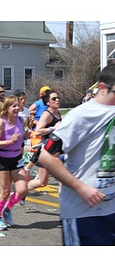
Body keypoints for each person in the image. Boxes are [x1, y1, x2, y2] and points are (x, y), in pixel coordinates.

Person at [38, 63, 115, 246]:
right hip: (83, 214)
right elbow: (46, 157)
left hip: (110, 209)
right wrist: (81, 187)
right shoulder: (81, 116)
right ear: (102, 88)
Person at [0, 95, 29, 230]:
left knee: (23, 189)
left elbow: (19, 135)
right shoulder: (2, 122)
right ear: (7, 108)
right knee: (5, 191)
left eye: (18, 105)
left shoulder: (20, 120)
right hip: (1, 159)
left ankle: (7, 208)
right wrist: (8, 142)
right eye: (14, 106)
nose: (17, 108)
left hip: (16, 158)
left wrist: (25, 135)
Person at [27, 90, 62, 191]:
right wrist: (53, 128)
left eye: (58, 98)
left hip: (57, 149)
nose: (57, 100)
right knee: (42, 182)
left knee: (63, 177)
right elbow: (38, 131)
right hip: (48, 149)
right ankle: (18, 192)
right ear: (48, 102)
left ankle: (64, 202)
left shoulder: (57, 113)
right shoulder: (47, 115)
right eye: (54, 99)